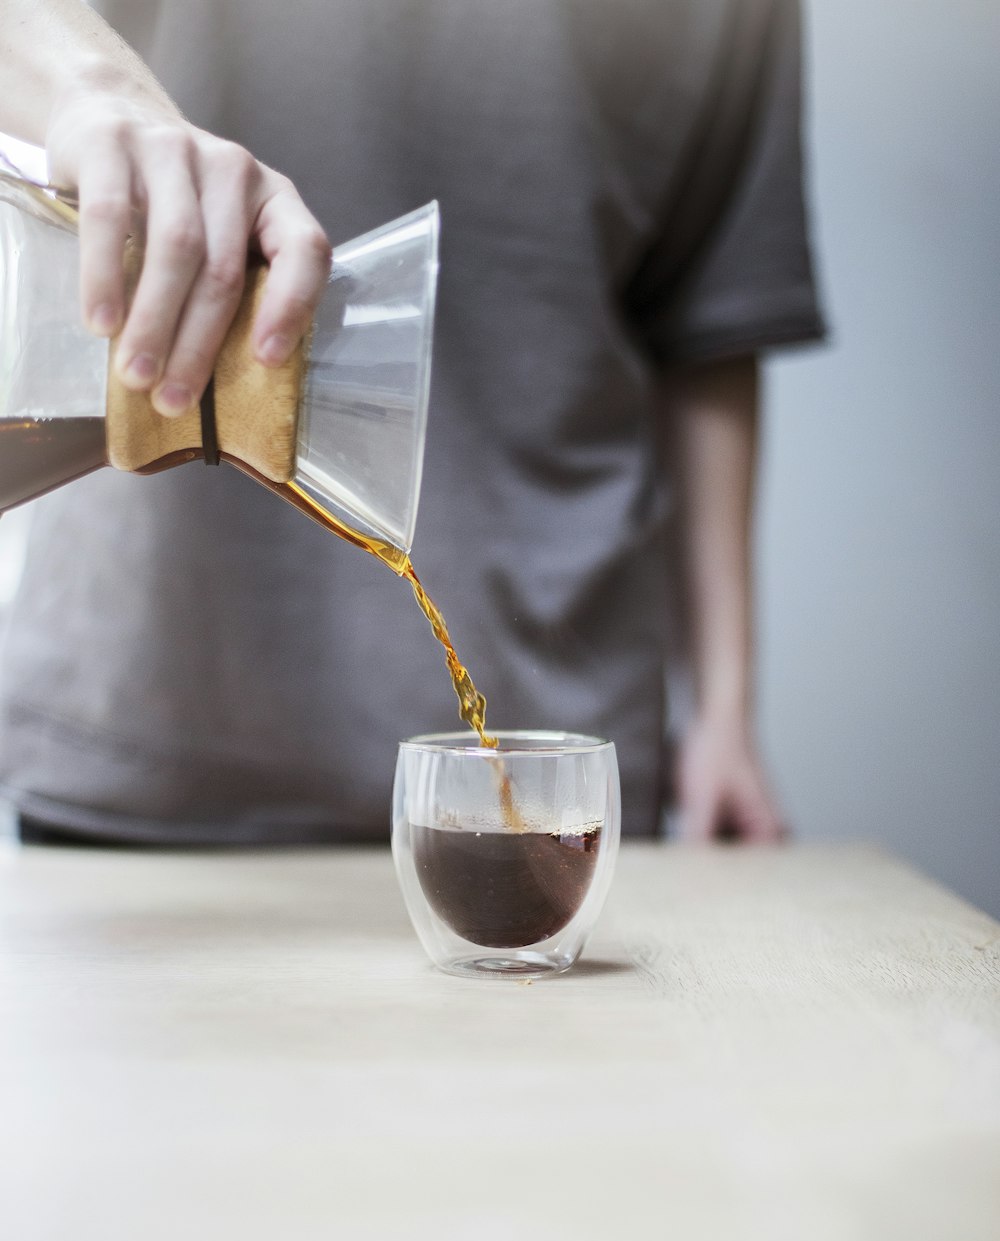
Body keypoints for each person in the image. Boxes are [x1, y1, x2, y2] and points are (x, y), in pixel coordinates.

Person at [0, 0, 824, 845]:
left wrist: (725, 709)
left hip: (548, 749)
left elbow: (711, 315)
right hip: (144, 715)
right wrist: (97, 92)